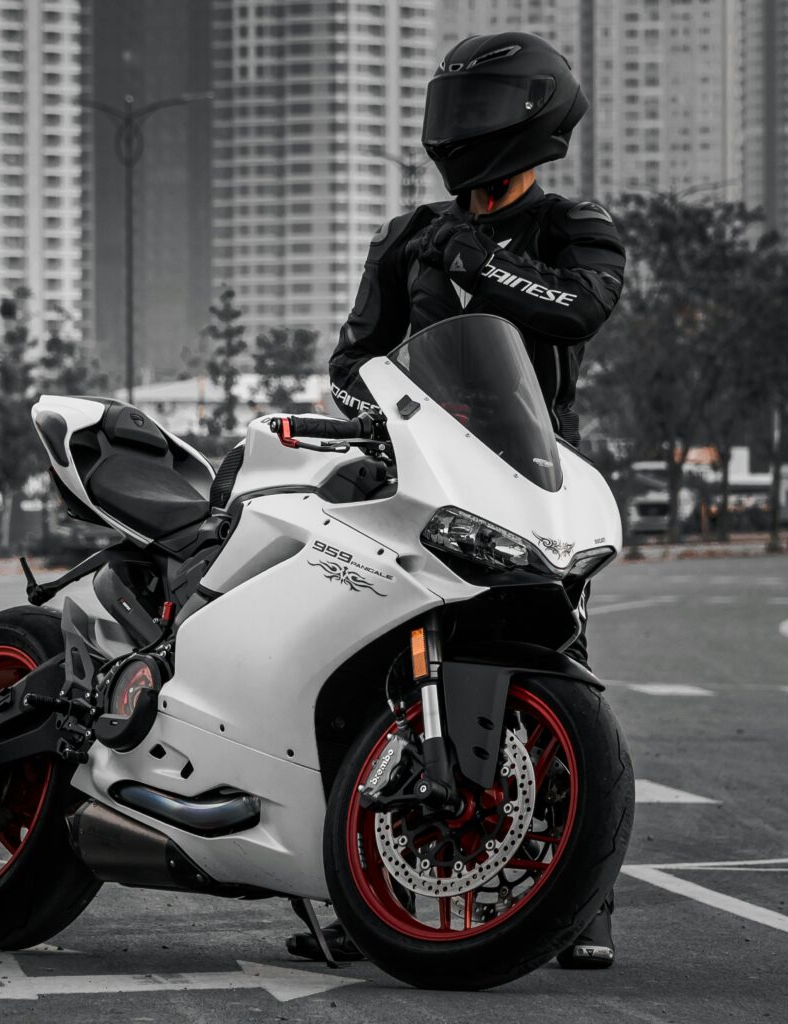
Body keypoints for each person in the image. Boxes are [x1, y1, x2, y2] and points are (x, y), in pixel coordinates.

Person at [287, 31, 625, 969]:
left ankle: (585, 903)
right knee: (367, 663)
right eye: (454, 110)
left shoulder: (574, 225)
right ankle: (357, 897)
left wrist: (478, 264)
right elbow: (351, 361)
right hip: (415, 472)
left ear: (534, 114)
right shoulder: (405, 237)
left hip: (527, 474)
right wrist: (381, 411)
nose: (461, 130)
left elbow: (578, 309)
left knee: (557, 676)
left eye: (481, 110)